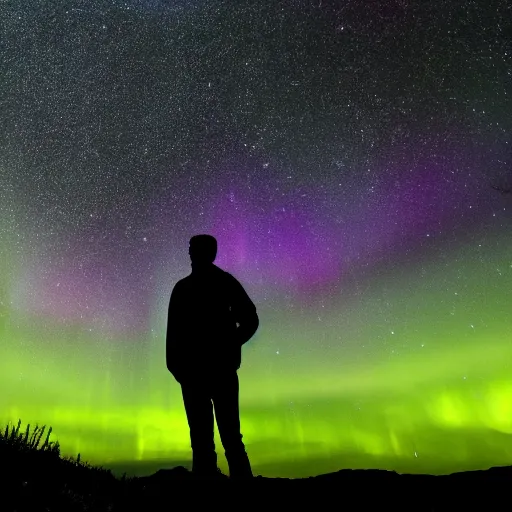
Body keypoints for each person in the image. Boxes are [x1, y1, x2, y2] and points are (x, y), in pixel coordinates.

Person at [166, 234, 259, 479]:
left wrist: (231, 345)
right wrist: (178, 368)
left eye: (194, 249)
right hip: (198, 373)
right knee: (205, 439)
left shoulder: (220, 283)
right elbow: (173, 335)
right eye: (191, 249)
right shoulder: (186, 288)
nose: (191, 253)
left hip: (216, 372)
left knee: (226, 438)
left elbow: (250, 319)